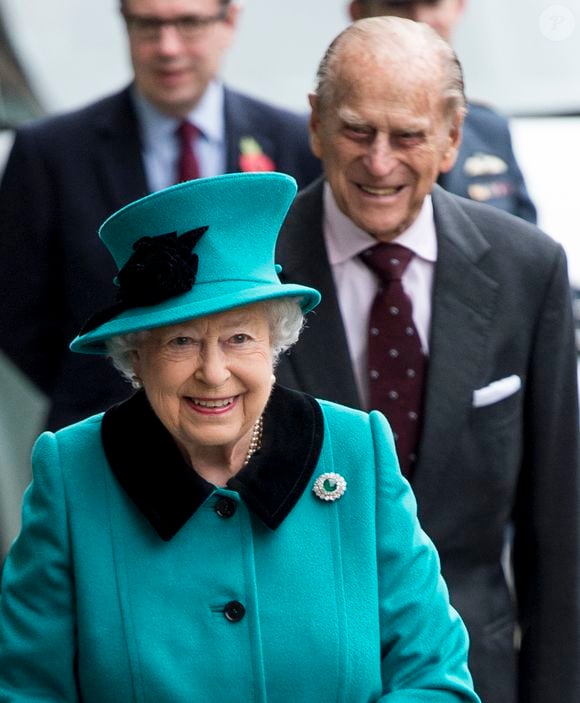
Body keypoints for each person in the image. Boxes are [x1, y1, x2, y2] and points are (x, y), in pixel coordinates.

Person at [0, 172, 479, 702]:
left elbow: (434, 680)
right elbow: (25, 691)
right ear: (136, 358)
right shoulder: (72, 473)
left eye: (239, 338)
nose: (213, 371)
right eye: (180, 341)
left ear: (276, 343)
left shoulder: (356, 450)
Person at [275, 17, 580, 703]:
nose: (379, 163)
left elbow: (558, 532)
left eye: (407, 136)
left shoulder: (528, 271)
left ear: (451, 136)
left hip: (475, 674)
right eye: (357, 131)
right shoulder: (251, 274)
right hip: (295, 675)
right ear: (316, 124)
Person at [0, 0, 321, 432]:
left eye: (188, 23)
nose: (167, 47)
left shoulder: (295, 143)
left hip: (259, 435)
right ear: (124, 24)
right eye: (148, 25)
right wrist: (107, 381)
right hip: (104, 431)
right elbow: (15, 306)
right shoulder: (49, 151)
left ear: (230, 21)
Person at [348, 0, 537, 223]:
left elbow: (525, 244)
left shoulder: (490, 131)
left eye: (432, 3)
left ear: (458, 7)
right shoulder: (310, 142)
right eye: (397, 5)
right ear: (359, 12)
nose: (419, 20)